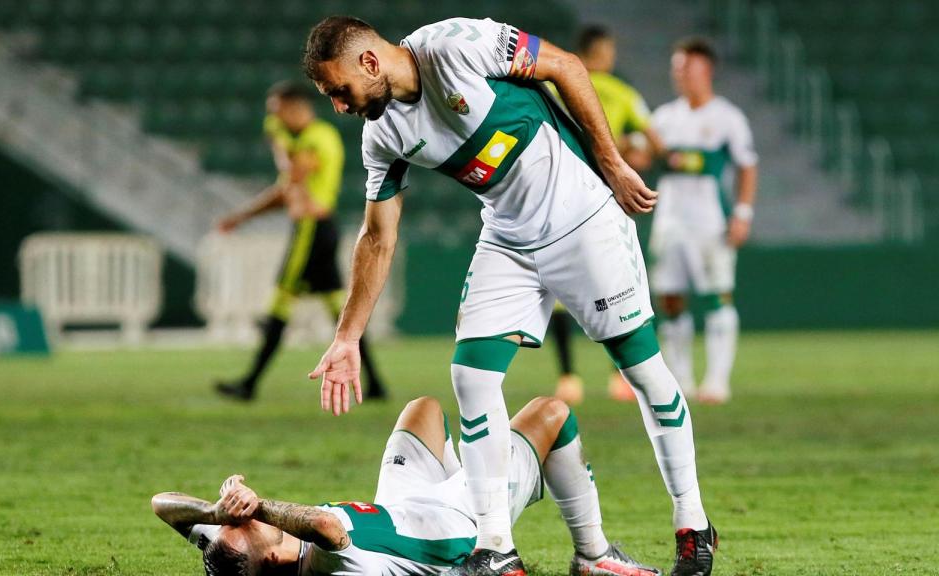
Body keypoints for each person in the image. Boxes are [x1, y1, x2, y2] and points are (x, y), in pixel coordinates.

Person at [302, 16, 715, 576]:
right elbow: (377, 237)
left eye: (339, 90)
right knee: (471, 376)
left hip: (582, 216)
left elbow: (566, 66)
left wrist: (612, 163)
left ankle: (693, 524)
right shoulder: (382, 135)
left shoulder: (456, 45)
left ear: (369, 62)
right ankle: (496, 547)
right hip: (508, 235)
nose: (339, 106)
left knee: (641, 370)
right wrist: (347, 337)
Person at [152, 396, 662, 576]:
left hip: (403, 503)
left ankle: (475, 465)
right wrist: (259, 504)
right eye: (244, 524)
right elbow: (325, 525)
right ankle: (592, 557)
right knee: (552, 414)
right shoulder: (325, 567)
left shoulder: (232, 549)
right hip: (459, 522)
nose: (241, 517)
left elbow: (162, 506)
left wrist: (215, 515)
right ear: (270, 558)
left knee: (424, 408)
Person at [214, 81, 386, 402]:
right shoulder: (305, 141)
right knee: (340, 311)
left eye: (277, 112)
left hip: (312, 230)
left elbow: (292, 177)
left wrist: (278, 143)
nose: (274, 120)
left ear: (296, 107)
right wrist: (242, 216)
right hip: (317, 229)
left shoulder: (318, 137)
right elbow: (285, 192)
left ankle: (249, 384)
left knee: (280, 302)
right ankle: (376, 384)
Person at [549, 24, 665, 406]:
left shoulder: (554, 86)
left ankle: (568, 378)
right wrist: (629, 149)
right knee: (618, 284)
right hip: (604, 200)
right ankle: (622, 377)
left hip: (558, 200)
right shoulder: (622, 92)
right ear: (603, 53)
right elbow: (654, 145)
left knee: (560, 290)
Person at [647, 38, 759, 404]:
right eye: (677, 69)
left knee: (718, 296)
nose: (680, 75)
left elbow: (747, 166)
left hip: (710, 222)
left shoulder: (727, 118)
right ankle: (680, 380)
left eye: (687, 68)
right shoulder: (663, 118)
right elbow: (642, 158)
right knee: (670, 299)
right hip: (669, 221)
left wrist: (742, 213)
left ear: (706, 70)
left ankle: (717, 380)